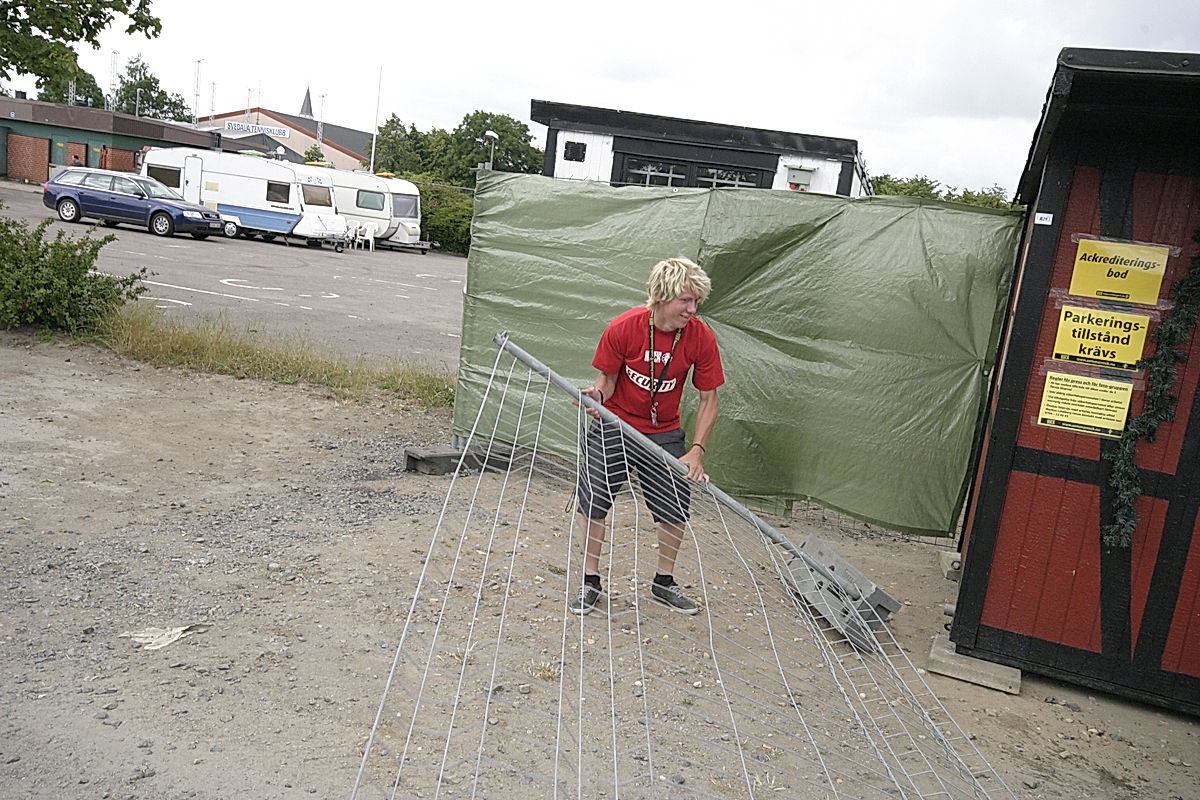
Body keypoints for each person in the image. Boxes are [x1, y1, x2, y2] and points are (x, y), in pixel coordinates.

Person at [572, 256, 724, 616]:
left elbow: (709, 399)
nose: (693, 308)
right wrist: (597, 399)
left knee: (674, 507)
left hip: (665, 430)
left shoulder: (700, 336)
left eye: (696, 301)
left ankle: (663, 582)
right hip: (618, 425)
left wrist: (697, 451)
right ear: (661, 297)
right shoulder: (624, 327)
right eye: (685, 300)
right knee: (593, 500)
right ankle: (590, 581)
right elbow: (605, 383)